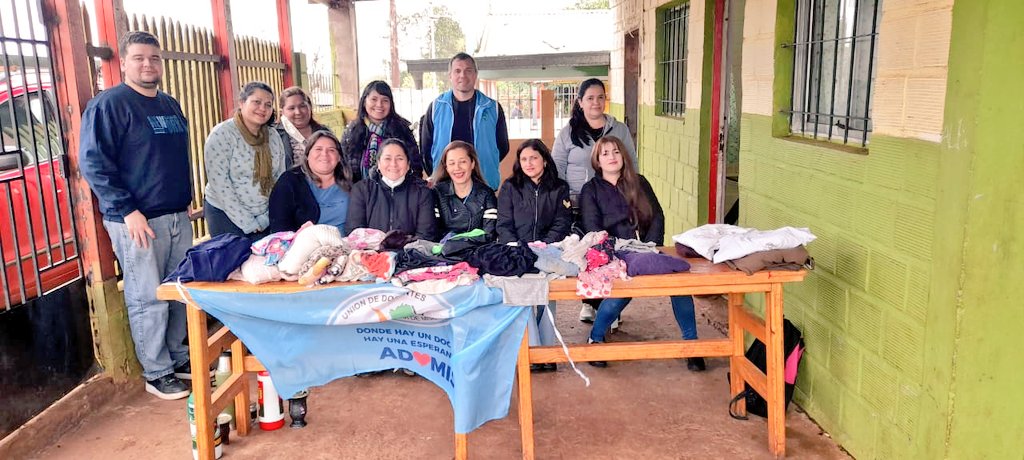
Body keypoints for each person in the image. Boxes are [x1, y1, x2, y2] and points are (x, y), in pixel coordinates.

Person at [79, 31, 195, 400]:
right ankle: (157, 372)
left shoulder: (170, 104)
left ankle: (178, 357)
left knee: (178, 292)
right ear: (124, 62)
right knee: (148, 295)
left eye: (154, 58)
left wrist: (184, 199)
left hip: (176, 214)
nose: (148, 64)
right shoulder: (109, 105)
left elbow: (176, 157)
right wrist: (128, 210)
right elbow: (93, 164)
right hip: (139, 220)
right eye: (139, 58)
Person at [578, 136, 704, 371]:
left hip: (646, 250)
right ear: (597, 160)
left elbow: (656, 216)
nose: (612, 157)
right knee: (619, 294)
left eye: (616, 152)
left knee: (679, 283)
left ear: (623, 156)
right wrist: (621, 252)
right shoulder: (591, 190)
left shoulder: (639, 182)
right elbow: (593, 229)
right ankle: (595, 339)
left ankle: (692, 345)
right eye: (605, 153)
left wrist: (650, 247)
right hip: (613, 253)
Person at [551, 78, 637, 324]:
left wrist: (632, 192)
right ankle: (589, 302)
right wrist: (562, 200)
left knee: (613, 252)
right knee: (587, 253)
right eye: (590, 98)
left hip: (613, 201)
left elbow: (631, 160)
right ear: (580, 102)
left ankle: (611, 305)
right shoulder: (568, 132)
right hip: (578, 203)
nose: (596, 102)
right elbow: (557, 167)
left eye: (600, 97)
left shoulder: (618, 129)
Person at [496, 139, 572, 371]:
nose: (529, 163)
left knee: (549, 298)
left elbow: (562, 221)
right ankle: (532, 351)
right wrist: (518, 247)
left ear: (545, 160)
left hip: (549, 251)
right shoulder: (510, 187)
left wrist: (545, 245)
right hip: (519, 253)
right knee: (525, 300)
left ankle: (546, 353)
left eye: (534, 158)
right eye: (524, 159)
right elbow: (504, 223)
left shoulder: (559, 187)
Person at [203, 81, 286, 240]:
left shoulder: (273, 136)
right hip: (225, 214)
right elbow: (220, 184)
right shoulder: (222, 135)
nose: (262, 108)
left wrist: (266, 217)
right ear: (241, 103)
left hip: (265, 216)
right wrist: (247, 222)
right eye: (256, 102)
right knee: (234, 262)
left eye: (268, 105)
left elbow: (279, 179)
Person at [420, 53, 509, 189]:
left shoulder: (492, 108)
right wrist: (439, 174)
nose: (462, 75)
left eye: (468, 70)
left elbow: (502, 146)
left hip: (484, 184)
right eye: (457, 71)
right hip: (444, 186)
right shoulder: (435, 107)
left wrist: (483, 166)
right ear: (450, 75)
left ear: (475, 74)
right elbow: (426, 150)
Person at [345, 138, 437, 239]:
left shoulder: (422, 192)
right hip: (370, 252)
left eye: (400, 158)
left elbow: (425, 235)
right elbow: (355, 233)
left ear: (408, 164)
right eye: (387, 158)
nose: (393, 164)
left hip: (410, 252)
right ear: (379, 164)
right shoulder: (362, 190)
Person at [269, 131, 353, 233]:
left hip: (346, 244)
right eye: (318, 149)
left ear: (339, 157)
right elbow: (279, 229)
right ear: (307, 155)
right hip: (305, 245)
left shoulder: (351, 182)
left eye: (331, 150)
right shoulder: (289, 182)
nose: (324, 154)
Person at [341, 80, 420, 182]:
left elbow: (415, 165)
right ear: (364, 101)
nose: (379, 105)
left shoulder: (402, 130)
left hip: (398, 194)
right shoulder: (351, 131)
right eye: (374, 99)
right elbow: (343, 167)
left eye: (385, 100)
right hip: (360, 193)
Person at [431, 141, 498, 239]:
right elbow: (433, 232)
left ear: (472, 164)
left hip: (478, 251)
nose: (457, 168)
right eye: (452, 163)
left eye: (462, 162)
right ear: (446, 167)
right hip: (444, 250)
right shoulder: (437, 193)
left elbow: (489, 234)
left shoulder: (486, 194)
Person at [276, 86, 332, 170]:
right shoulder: (276, 136)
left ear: (309, 107)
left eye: (302, 106)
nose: (298, 112)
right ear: (282, 112)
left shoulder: (324, 132)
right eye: (291, 108)